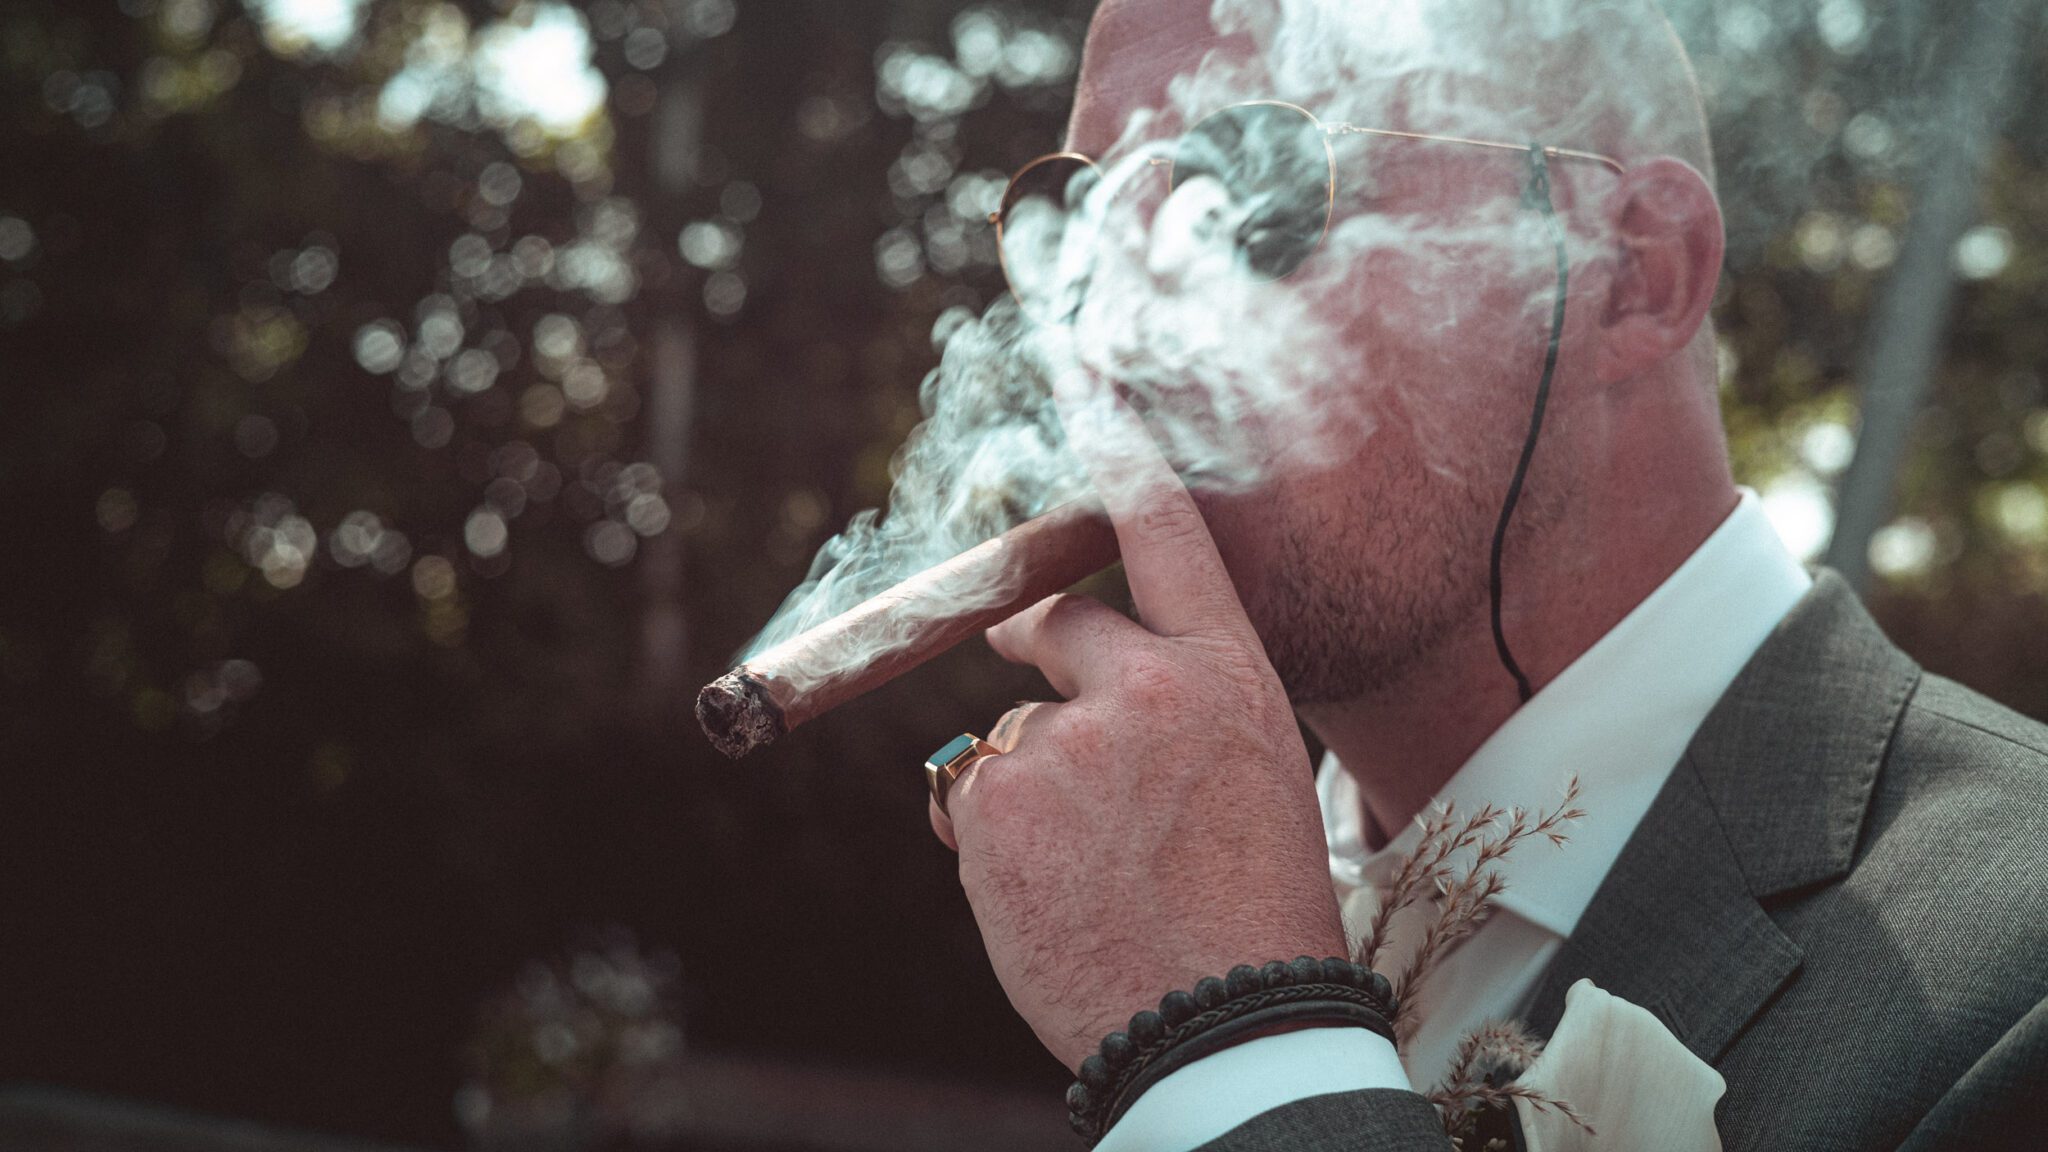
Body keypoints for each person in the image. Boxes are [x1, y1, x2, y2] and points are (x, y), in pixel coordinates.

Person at [922, 0, 2048, 1148]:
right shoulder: (1150, 897)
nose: (1112, 332)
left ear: (1633, 274)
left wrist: (1241, 1064)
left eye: (1246, 190)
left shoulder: (2017, 990)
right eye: (1076, 220)